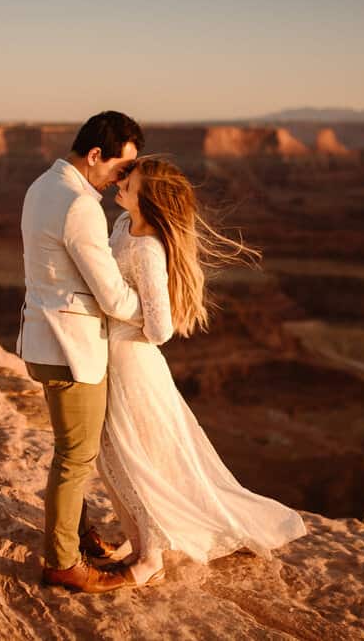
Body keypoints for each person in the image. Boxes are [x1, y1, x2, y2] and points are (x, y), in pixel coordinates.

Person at [97, 157, 308, 587]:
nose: (121, 182)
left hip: (133, 365)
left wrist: (117, 311)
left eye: (131, 181)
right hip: (108, 358)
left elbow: (160, 329)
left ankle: (150, 558)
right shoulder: (121, 226)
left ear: (150, 199)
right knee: (111, 453)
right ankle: (136, 541)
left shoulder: (148, 249)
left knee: (143, 457)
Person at [16, 111, 144, 593]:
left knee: (71, 450)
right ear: (94, 155)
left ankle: (78, 534)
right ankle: (63, 562)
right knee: (75, 457)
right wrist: (156, 310)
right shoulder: (80, 206)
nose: (121, 179)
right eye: (120, 167)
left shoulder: (41, 186)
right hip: (71, 348)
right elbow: (112, 297)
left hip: (43, 338)